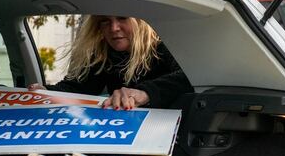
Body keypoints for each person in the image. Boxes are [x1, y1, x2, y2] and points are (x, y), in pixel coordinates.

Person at [29, 15, 191, 109]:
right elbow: (78, 88)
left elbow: (190, 77)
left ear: (141, 20)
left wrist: (145, 93)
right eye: (105, 21)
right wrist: (46, 92)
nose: (113, 28)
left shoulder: (164, 47)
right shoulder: (104, 55)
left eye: (122, 18)